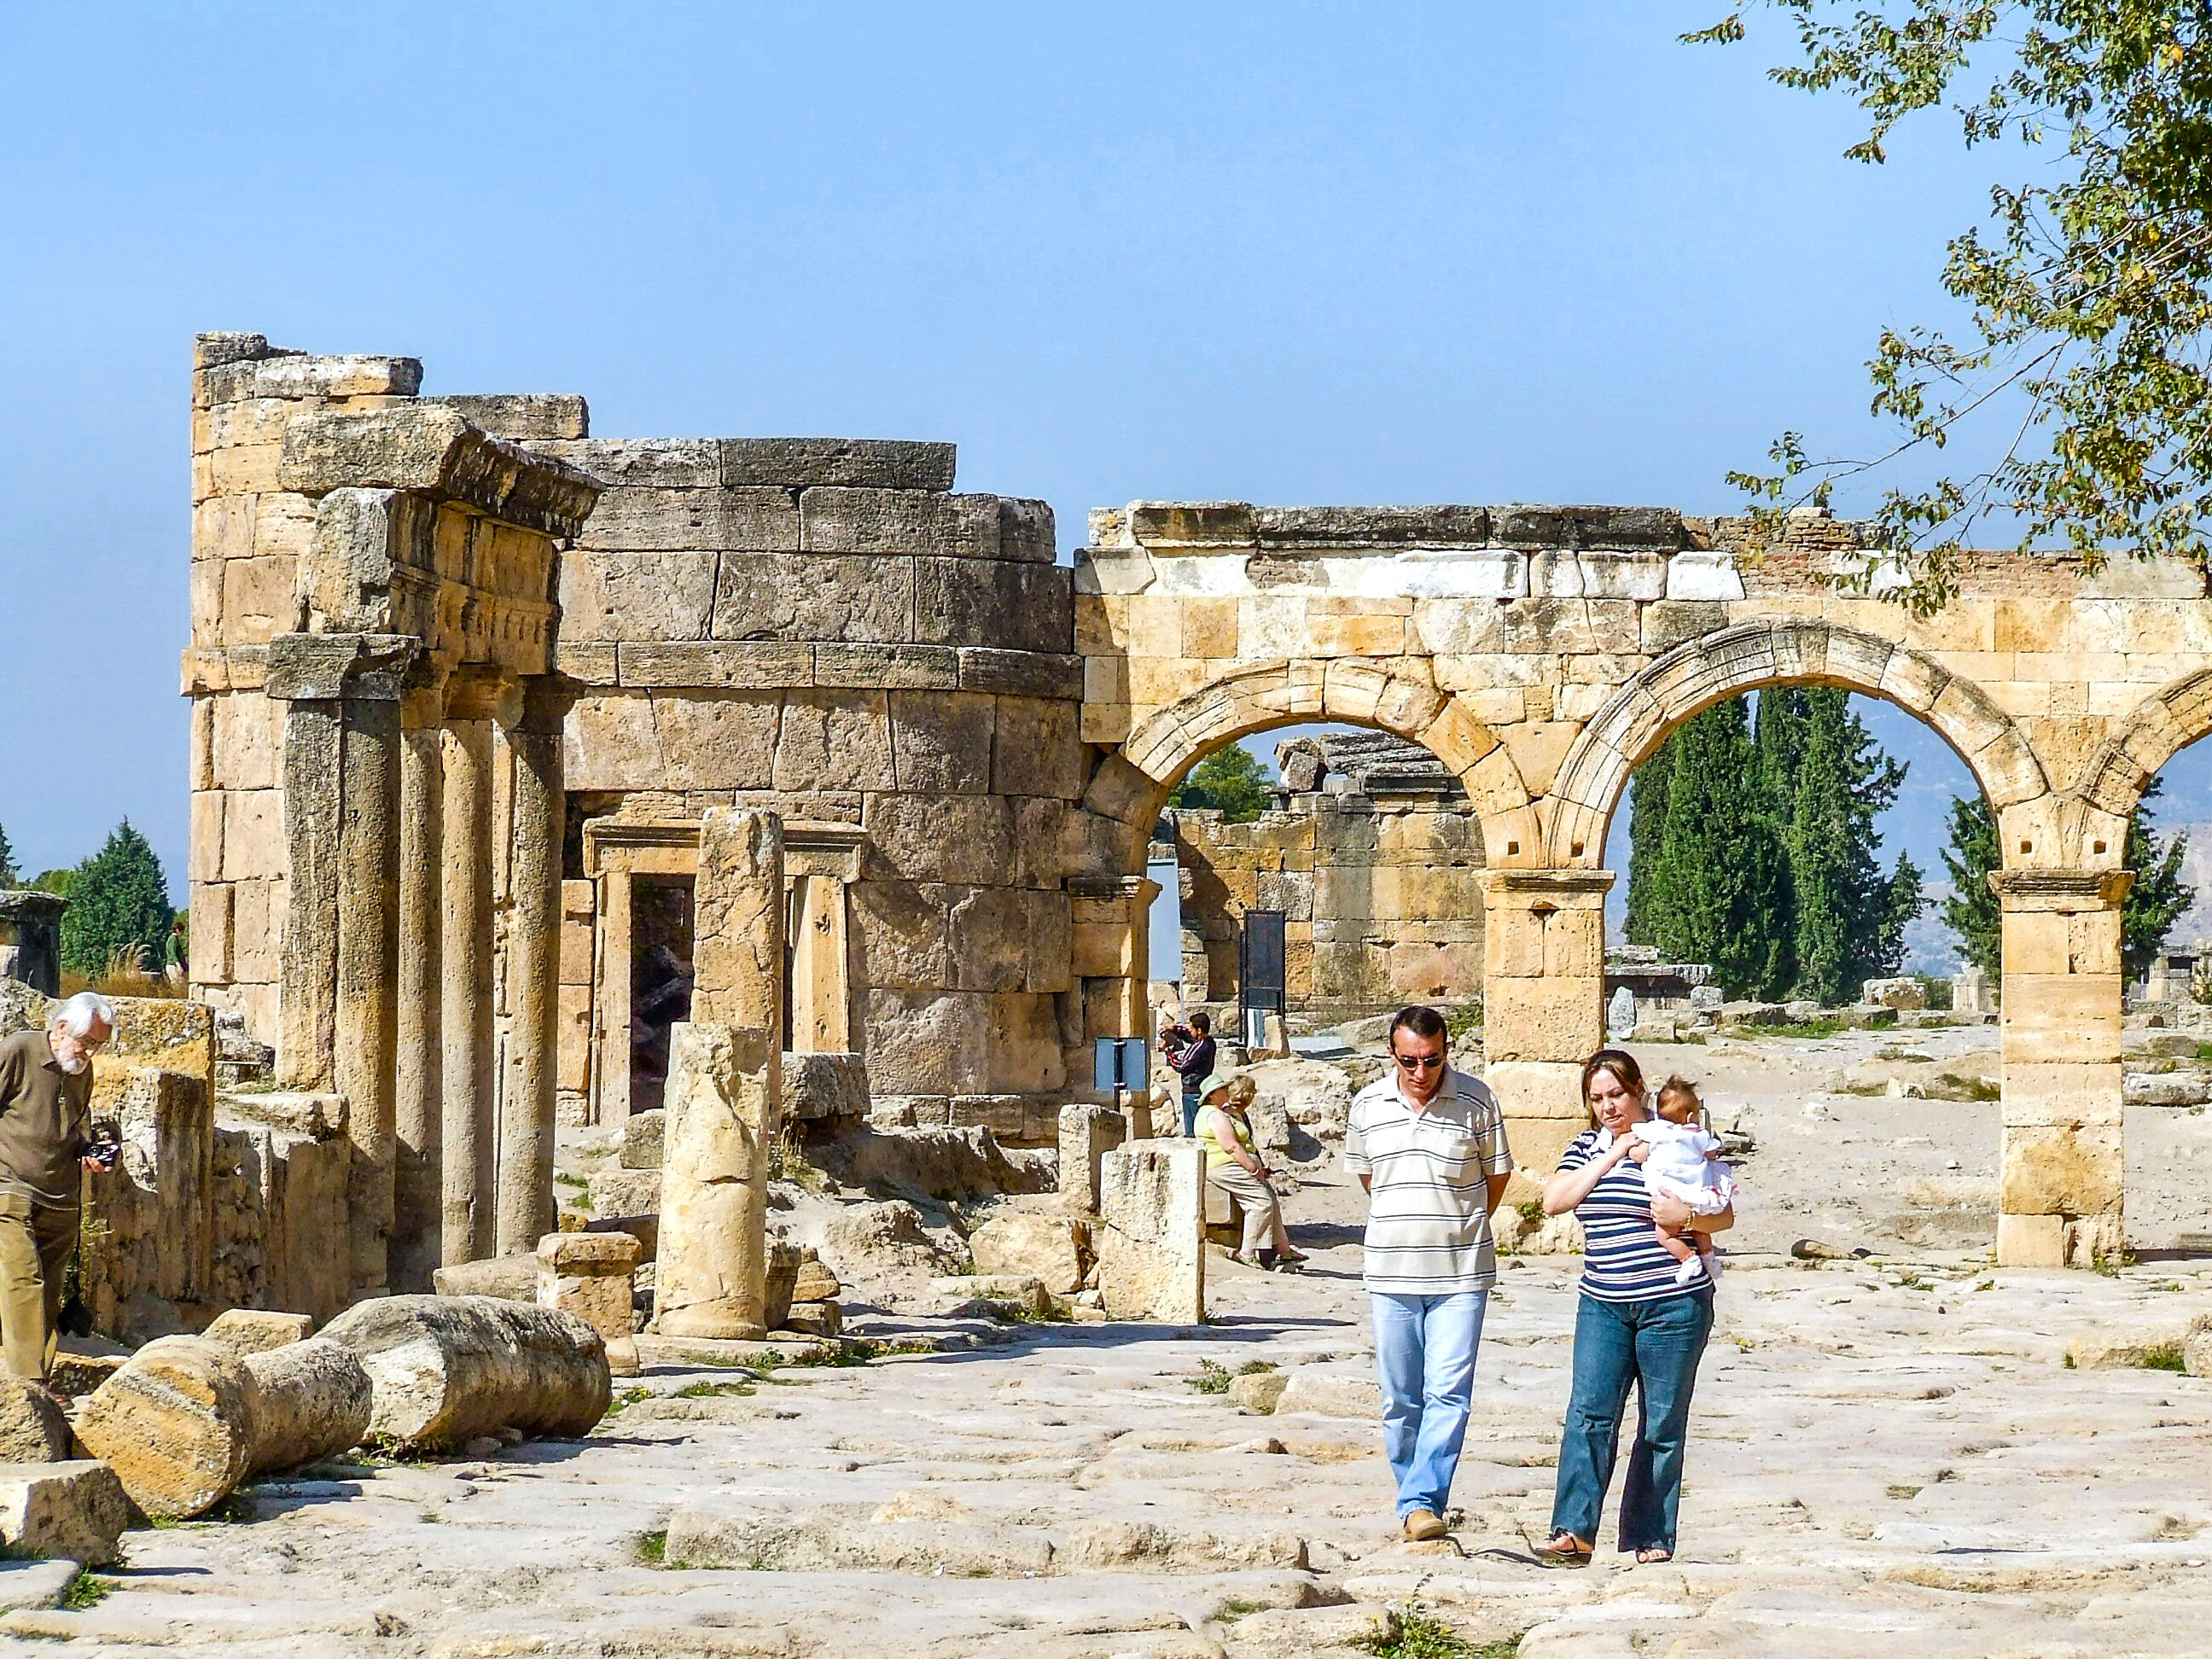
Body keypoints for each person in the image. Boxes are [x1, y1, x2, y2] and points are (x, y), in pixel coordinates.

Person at [1539, 1049, 1734, 1568]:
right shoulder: (1586, 1146)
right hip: (1603, 1303)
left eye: (1616, 1095)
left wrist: (1686, 1213)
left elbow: (1724, 1215)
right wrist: (1611, 1153)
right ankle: (1573, 1532)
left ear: (1638, 1089)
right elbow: (1554, 1200)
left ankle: (1651, 1534)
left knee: (1662, 1421)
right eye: (1597, 1098)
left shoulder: (1673, 1136)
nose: (1607, 1106)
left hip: (1673, 1304)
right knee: (1589, 1414)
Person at [1342, 1004, 1513, 1543]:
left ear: (1447, 1051)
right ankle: (1412, 1493)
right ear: (1392, 1054)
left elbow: (1496, 1178)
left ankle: (1421, 1501)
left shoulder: (1478, 1100)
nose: (1421, 1072)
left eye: (1432, 1060)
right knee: (1399, 1398)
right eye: (1409, 1060)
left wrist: (1457, 1221)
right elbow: (1370, 1179)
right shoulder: (1367, 1104)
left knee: (1449, 1393)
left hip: (1461, 1273)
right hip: (1391, 1272)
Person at [0, 992, 119, 1392]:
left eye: (98, 1044)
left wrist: (91, 1152)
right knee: (23, 1282)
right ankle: (28, 1388)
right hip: (10, 1186)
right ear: (62, 1027)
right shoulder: (19, 1050)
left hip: (61, 1197)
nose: (89, 1051)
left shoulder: (82, 1071)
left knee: (49, 1295)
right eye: (86, 1040)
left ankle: (39, 1382)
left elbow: (74, 1128)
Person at [1630, 1076, 1735, 1285]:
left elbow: (1638, 1155)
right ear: (1690, 1117)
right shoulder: (1697, 1135)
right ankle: (1708, 1256)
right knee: (1700, 1229)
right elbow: (1712, 1152)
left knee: (1665, 1235)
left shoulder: (1657, 1131)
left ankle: (1688, 1259)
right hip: (1695, 1191)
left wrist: (1630, 1149)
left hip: (1668, 1193)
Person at [1197, 1068, 1305, 1271]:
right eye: (1222, 1089)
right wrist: (1252, 1168)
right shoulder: (1215, 1116)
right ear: (1212, 1095)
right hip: (1226, 1166)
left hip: (1234, 1164)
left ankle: (1281, 1250)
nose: (1226, 1091)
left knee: (1270, 1198)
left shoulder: (1222, 1112)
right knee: (1260, 1203)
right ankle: (1247, 1252)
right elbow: (1231, 1146)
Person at [1161, 1011, 1216, 1138]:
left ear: (1199, 1030)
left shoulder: (1200, 1048)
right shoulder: (1209, 1042)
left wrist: (1167, 1051)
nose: (1189, 1031)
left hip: (1193, 1092)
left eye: (1192, 1028)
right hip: (1198, 1090)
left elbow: (1181, 1066)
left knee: (1193, 1133)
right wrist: (1174, 1029)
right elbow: (1188, 1035)